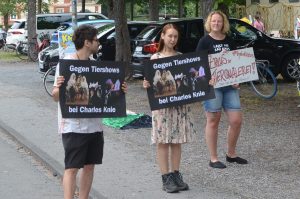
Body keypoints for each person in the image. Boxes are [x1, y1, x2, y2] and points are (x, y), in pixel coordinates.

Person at [52, 25, 127, 199]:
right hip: (73, 126)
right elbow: (55, 96)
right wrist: (60, 88)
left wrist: (120, 90)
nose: (98, 43)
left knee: (90, 166)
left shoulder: (96, 66)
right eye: (96, 40)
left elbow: (105, 95)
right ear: (87, 42)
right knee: (71, 168)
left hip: (94, 125)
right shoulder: (66, 64)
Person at [143, 24, 194, 193]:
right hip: (162, 107)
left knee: (177, 141)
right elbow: (150, 83)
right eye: (170, 36)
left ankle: (176, 174)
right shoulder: (155, 58)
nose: (172, 39)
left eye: (175, 37)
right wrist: (146, 84)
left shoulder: (181, 57)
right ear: (163, 36)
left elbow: (188, 82)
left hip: (179, 105)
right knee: (163, 141)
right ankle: (166, 178)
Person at [196, 10, 248, 169]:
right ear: (209, 23)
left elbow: (235, 62)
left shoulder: (230, 40)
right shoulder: (204, 41)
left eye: (219, 21)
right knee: (213, 120)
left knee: (236, 120)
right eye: (213, 21)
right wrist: (206, 79)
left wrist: (237, 80)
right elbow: (198, 65)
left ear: (223, 23)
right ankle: (213, 158)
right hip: (213, 87)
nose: (216, 24)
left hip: (230, 86)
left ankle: (231, 154)